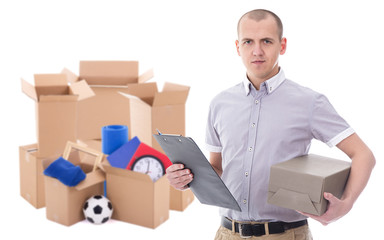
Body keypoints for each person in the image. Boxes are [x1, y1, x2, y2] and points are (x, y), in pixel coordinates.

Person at [166, 9, 376, 239]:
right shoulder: (220, 104)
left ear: (282, 45)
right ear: (238, 47)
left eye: (266, 41)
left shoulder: (309, 102)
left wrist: (345, 205)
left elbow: (363, 155)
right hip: (227, 232)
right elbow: (217, 168)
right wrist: (185, 178)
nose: (257, 51)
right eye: (248, 42)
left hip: (285, 234)